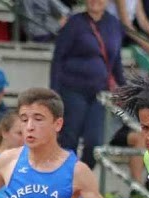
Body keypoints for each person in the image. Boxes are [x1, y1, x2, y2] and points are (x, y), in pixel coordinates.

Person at [51, 0, 125, 170]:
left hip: (100, 93)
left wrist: (125, 88)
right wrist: (54, 91)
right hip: (73, 89)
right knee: (69, 138)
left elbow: (116, 62)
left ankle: (81, 179)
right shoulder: (74, 23)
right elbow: (58, 58)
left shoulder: (114, 24)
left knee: (95, 141)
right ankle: (64, 180)